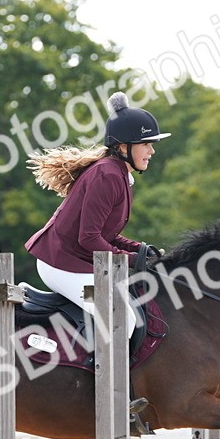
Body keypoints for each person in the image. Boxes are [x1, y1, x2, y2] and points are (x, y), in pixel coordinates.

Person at [25, 91, 168, 332]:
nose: (152, 151)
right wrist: (132, 260)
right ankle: (98, 370)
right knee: (121, 318)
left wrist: (139, 249)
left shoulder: (119, 175)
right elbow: (88, 238)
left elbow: (105, 235)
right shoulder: (107, 175)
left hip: (74, 260)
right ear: (123, 147)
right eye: (146, 144)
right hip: (60, 264)